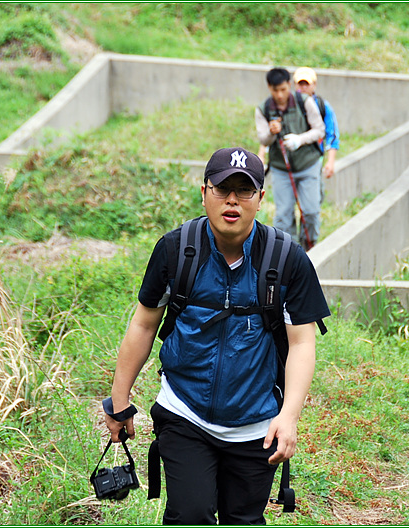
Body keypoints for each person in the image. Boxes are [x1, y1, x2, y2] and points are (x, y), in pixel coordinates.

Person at [103, 146, 330, 525]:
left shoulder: (287, 260)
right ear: (204, 192)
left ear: (260, 199)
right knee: (189, 514)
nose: (232, 200)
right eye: (222, 188)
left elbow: (302, 343)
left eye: (244, 191)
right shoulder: (176, 251)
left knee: (243, 518)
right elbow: (143, 324)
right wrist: (119, 398)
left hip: (257, 423)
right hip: (184, 412)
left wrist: (289, 416)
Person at [255, 68, 325, 250]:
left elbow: (320, 129)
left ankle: (310, 247)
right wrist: (272, 132)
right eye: (275, 90)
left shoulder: (304, 102)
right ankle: (289, 253)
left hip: (307, 165)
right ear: (269, 88)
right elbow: (263, 139)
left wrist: (299, 140)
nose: (280, 95)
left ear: (289, 86)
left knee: (310, 211)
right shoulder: (263, 109)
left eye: (283, 89)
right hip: (281, 169)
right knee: (283, 216)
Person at [292, 67, 340, 180]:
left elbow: (332, 134)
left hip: (315, 157)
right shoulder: (289, 105)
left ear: (314, 85)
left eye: (306, 84)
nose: (303, 88)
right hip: (292, 159)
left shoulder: (323, 106)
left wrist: (330, 161)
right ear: (294, 85)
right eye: (300, 84)